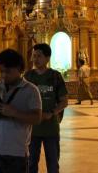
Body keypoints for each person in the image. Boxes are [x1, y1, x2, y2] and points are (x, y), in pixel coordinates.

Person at [0, 49, 42, 173]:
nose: (4, 75)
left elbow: (37, 118)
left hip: (17, 153)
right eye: (1, 71)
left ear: (20, 69)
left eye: (8, 71)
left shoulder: (31, 90)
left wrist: (14, 112)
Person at [25, 44, 68, 173]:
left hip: (51, 128)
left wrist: (51, 113)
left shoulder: (55, 76)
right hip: (32, 129)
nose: (35, 59)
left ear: (47, 58)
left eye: (39, 56)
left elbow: (64, 101)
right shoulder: (28, 77)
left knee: (53, 163)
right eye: (34, 56)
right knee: (31, 163)